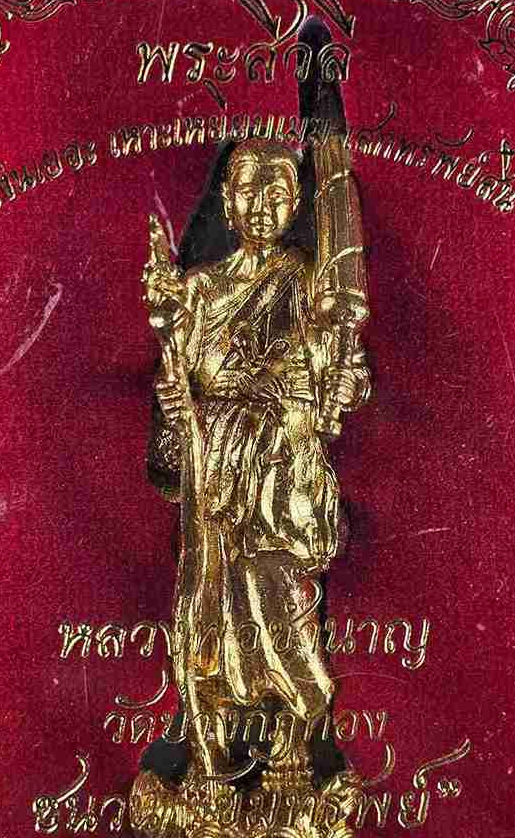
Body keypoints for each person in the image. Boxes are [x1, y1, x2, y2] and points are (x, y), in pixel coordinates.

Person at [144, 138, 370, 793]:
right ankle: (211, 752)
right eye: (249, 191)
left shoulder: (307, 283)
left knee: (279, 600)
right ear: (227, 200)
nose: (263, 206)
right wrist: (176, 404)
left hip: (277, 470)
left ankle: (295, 743)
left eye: (277, 194)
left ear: (295, 203)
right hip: (215, 468)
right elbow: (181, 388)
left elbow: (341, 374)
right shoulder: (199, 290)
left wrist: (334, 380)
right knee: (211, 602)